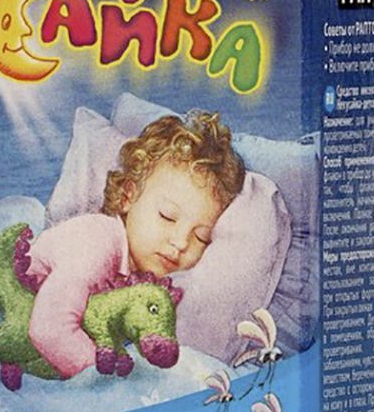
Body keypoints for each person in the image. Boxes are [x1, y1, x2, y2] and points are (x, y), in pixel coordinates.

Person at [24, 112, 245, 378]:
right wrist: (109, 382)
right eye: (167, 216)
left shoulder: (144, 279)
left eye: (201, 237)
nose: (180, 242)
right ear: (129, 196)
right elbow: (49, 328)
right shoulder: (96, 243)